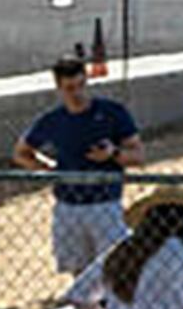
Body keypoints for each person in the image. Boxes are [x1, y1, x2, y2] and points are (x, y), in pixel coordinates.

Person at [14, 52, 143, 281]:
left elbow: (138, 154)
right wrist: (49, 168)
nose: (77, 94)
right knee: (79, 273)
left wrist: (112, 154)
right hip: (68, 205)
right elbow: (21, 153)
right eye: (69, 88)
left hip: (105, 202)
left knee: (114, 269)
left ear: (87, 81)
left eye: (80, 86)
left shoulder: (112, 112)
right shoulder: (52, 120)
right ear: (59, 88)